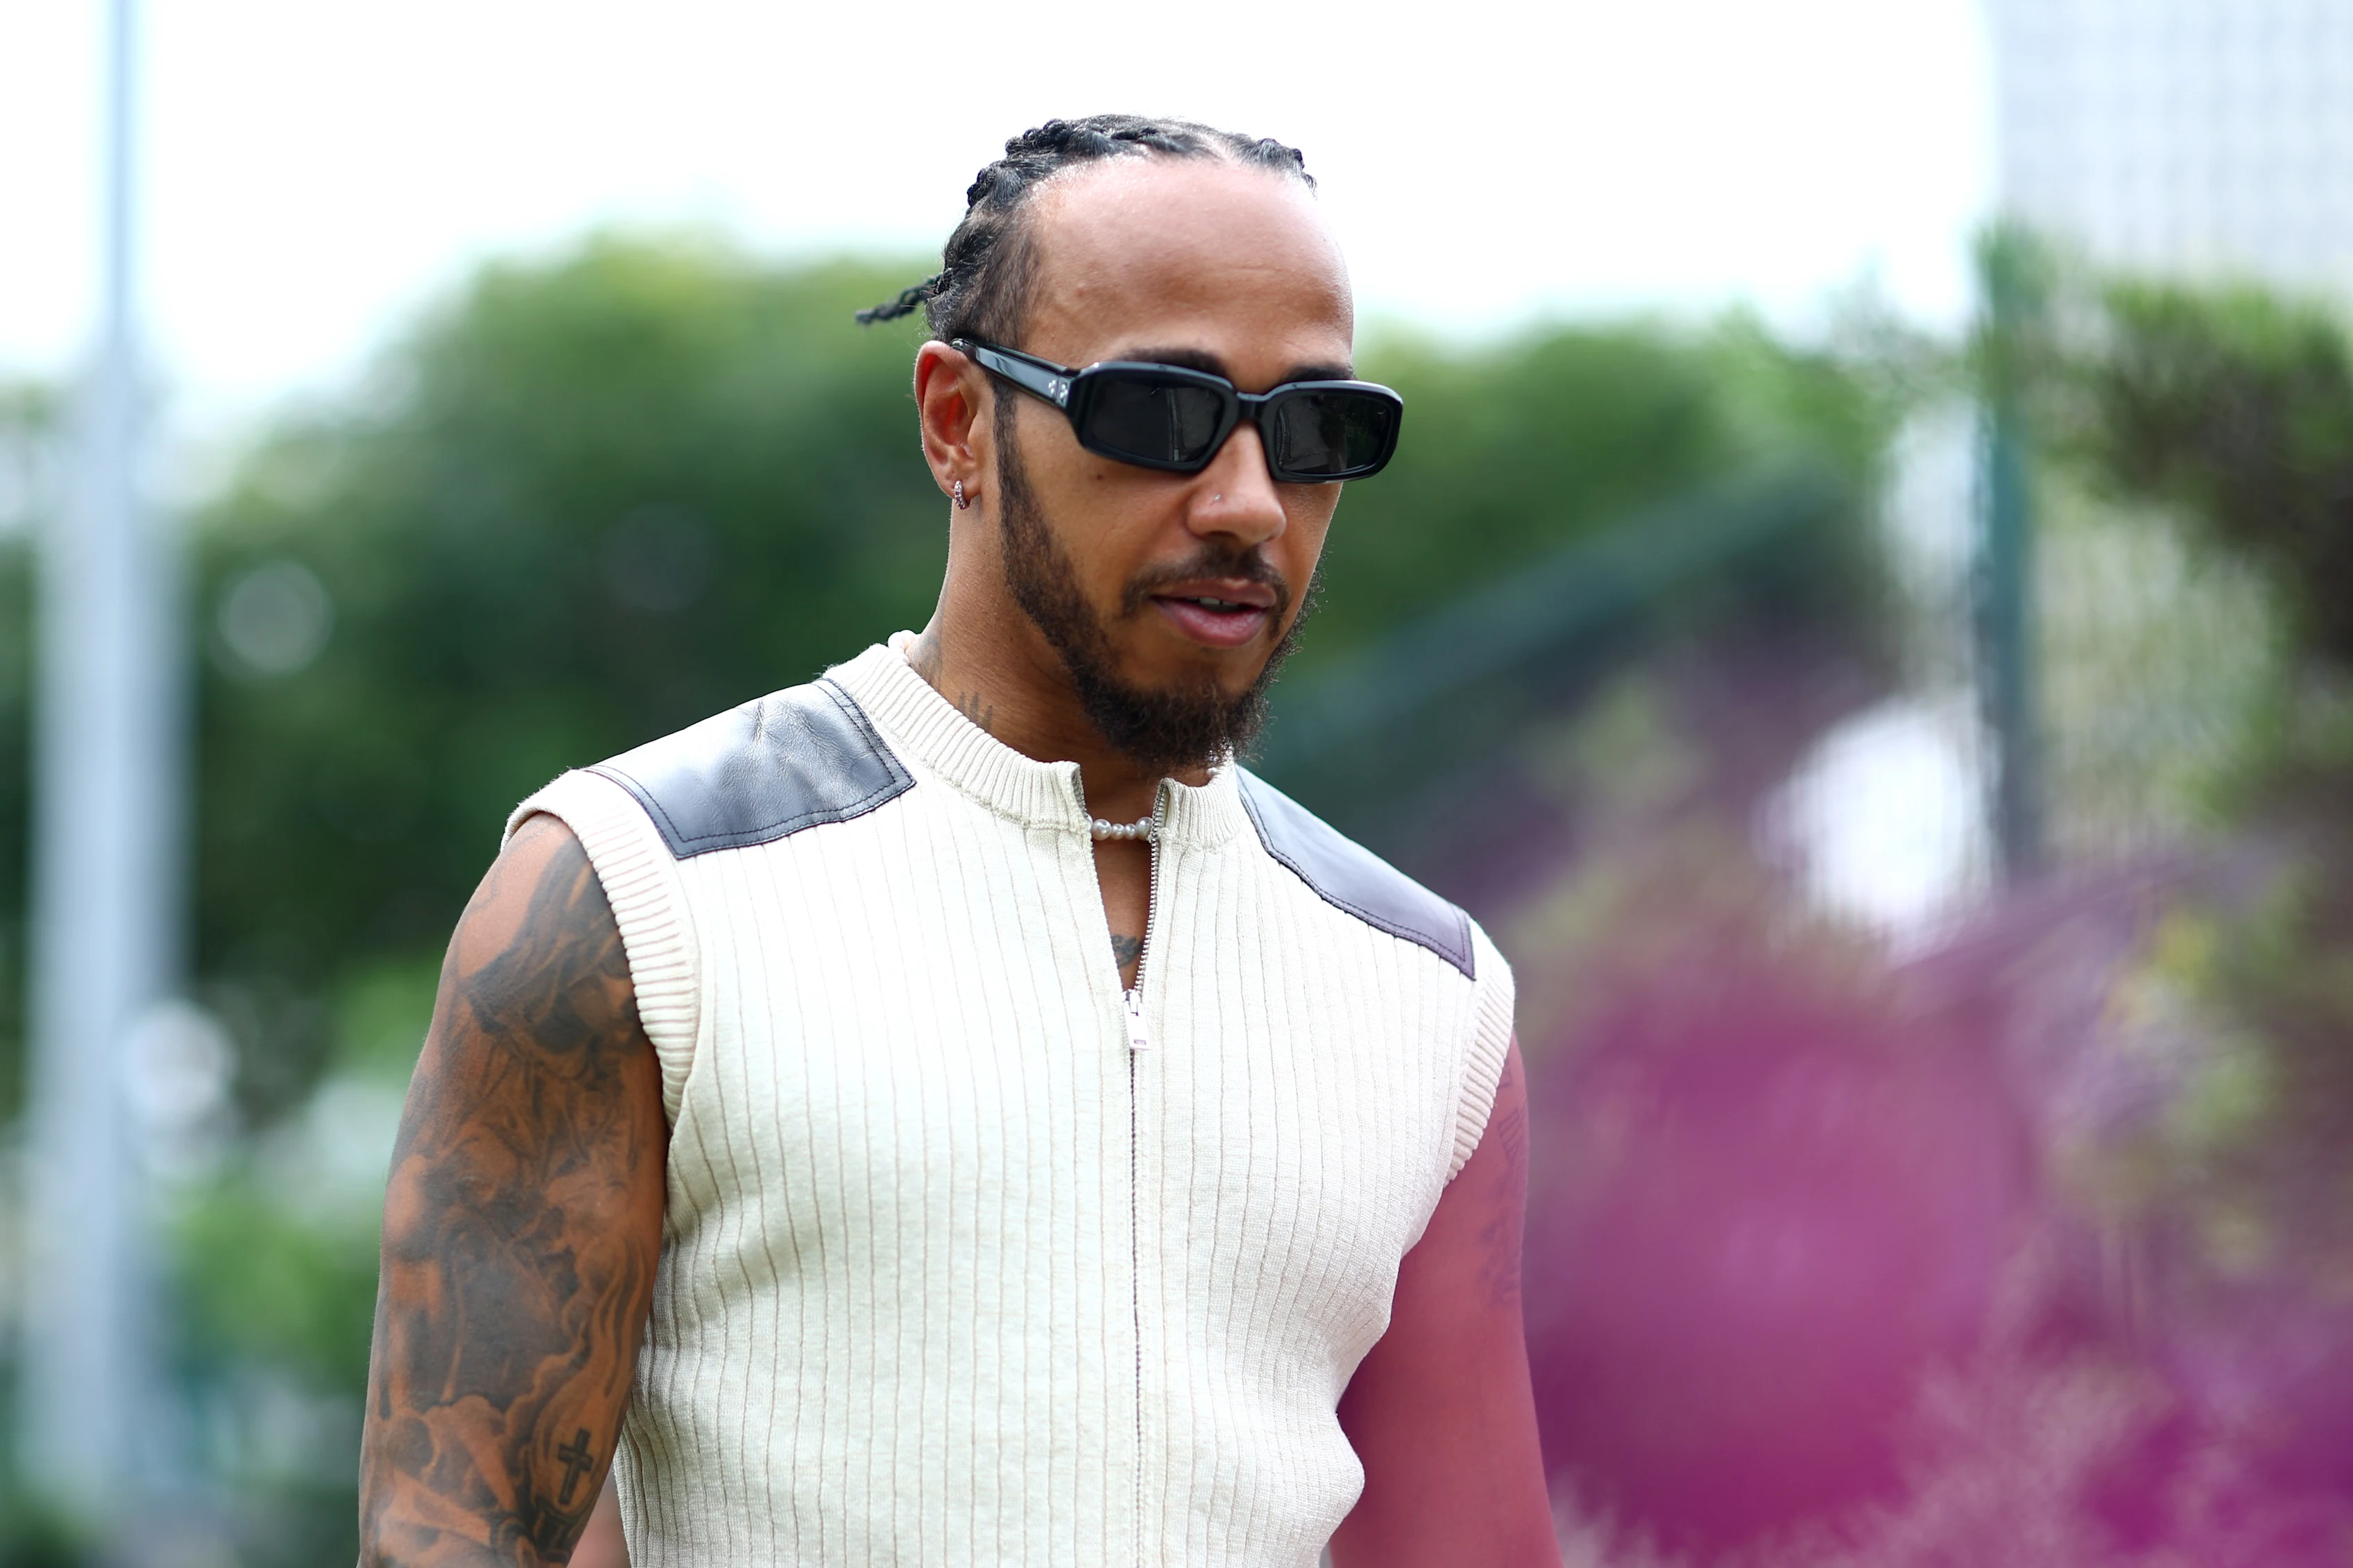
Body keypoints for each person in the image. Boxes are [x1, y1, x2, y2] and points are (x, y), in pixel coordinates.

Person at [359, 114, 1557, 1568]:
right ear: (954, 422)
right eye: (1158, 411)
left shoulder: (1430, 996)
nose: (1248, 501)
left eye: (1317, 434)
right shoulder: (633, 897)